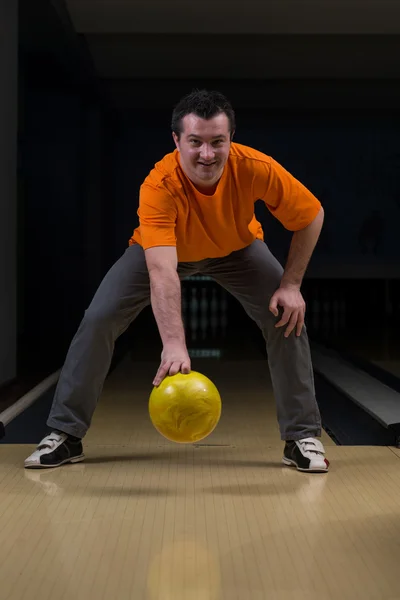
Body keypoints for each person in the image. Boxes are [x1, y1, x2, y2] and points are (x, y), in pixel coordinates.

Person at [24, 89, 329, 473]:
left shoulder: (254, 167)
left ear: (230, 138)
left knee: (287, 318)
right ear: (176, 141)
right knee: (99, 318)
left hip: (238, 249)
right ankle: (65, 434)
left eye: (217, 142)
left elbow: (311, 215)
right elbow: (162, 272)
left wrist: (291, 285)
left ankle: (302, 436)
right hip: (162, 254)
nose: (207, 154)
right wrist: (174, 344)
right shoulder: (159, 186)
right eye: (195, 142)